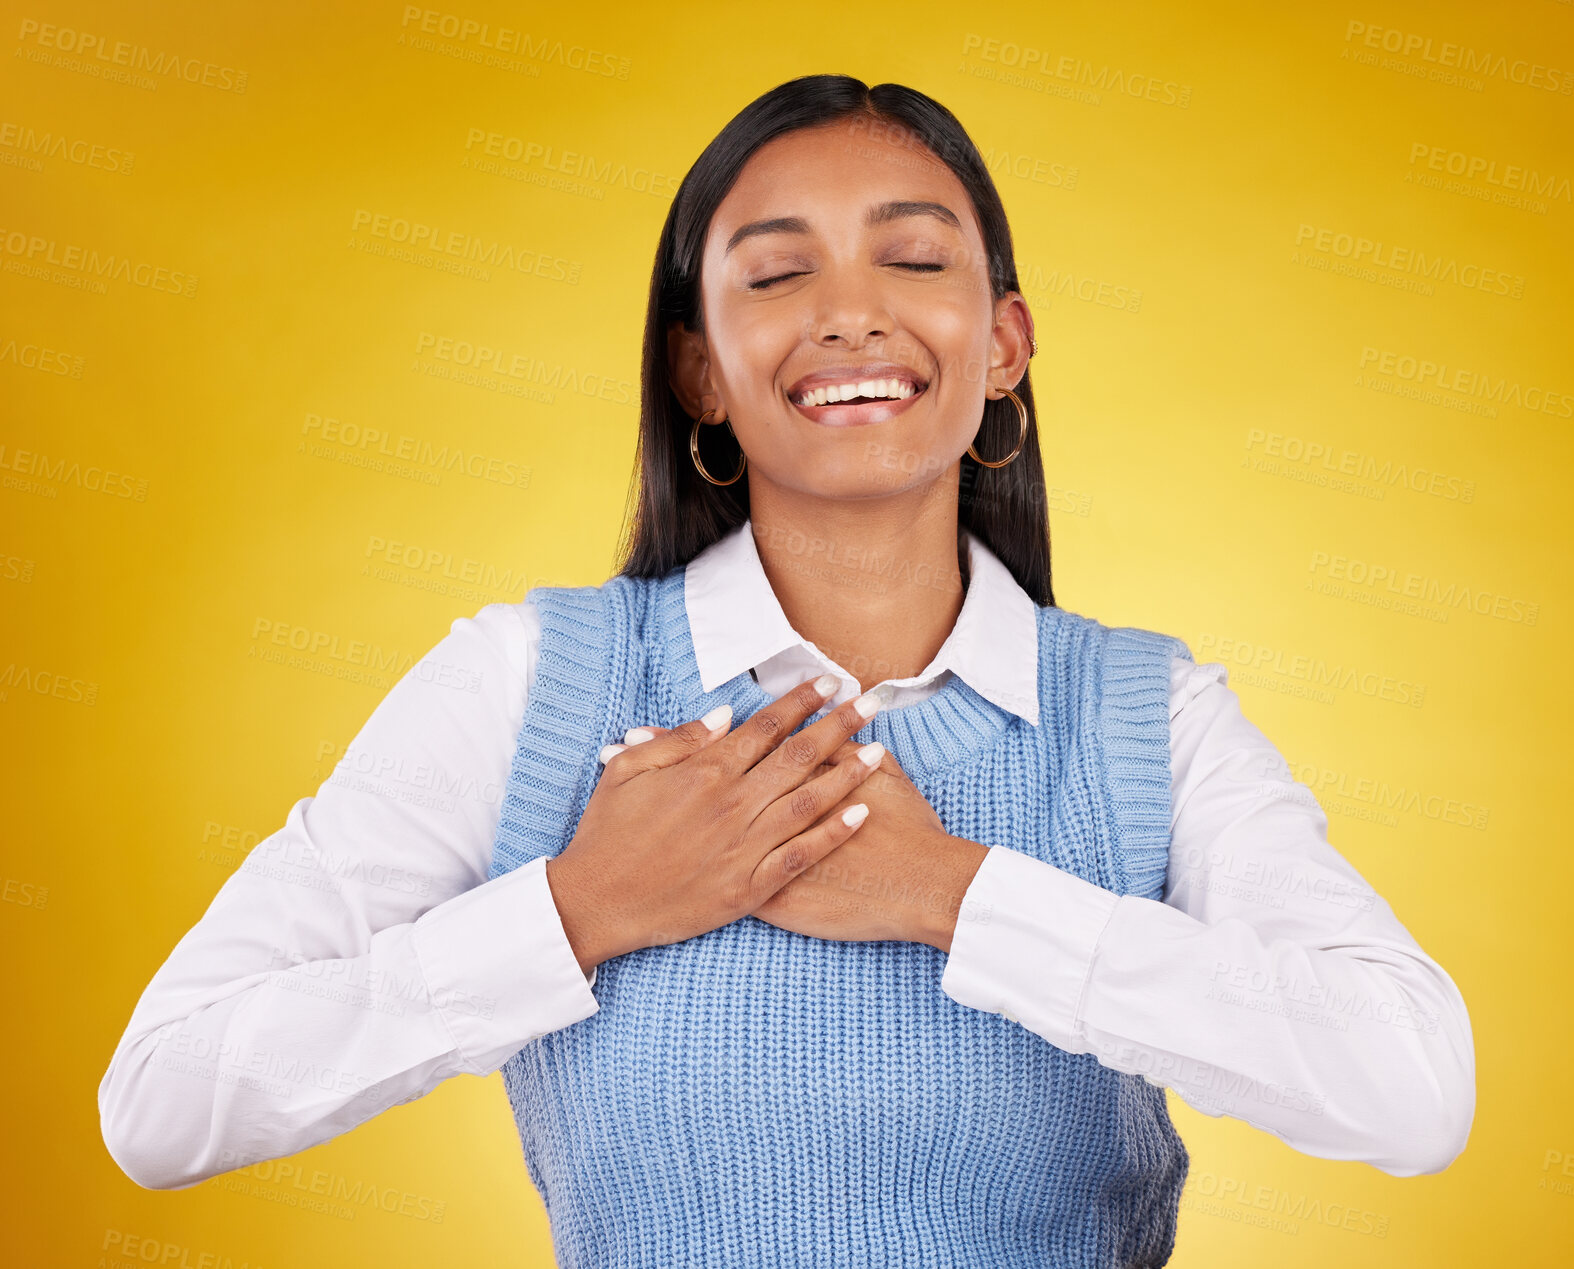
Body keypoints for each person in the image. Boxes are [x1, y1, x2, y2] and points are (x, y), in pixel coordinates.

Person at [99, 74, 1474, 1267]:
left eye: (913, 260)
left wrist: (957, 898)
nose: (849, 316)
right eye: (774, 273)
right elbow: (162, 1099)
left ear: (1003, 345)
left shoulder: (1144, 716)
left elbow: (1409, 1085)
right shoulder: (533, 685)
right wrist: (580, 908)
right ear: (699, 368)